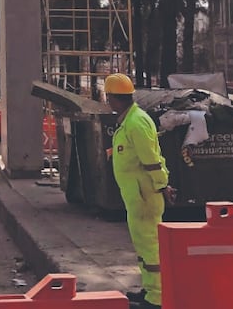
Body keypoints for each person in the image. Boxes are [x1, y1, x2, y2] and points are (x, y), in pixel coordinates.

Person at [104, 73, 175, 309]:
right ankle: (149, 290)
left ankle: (157, 298)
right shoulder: (129, 120)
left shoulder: (136, 122)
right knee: (143, 245)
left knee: (150, 245)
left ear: (113, 98)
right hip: (137, 196)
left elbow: (152, 159)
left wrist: (162, 184)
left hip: (144, 196)